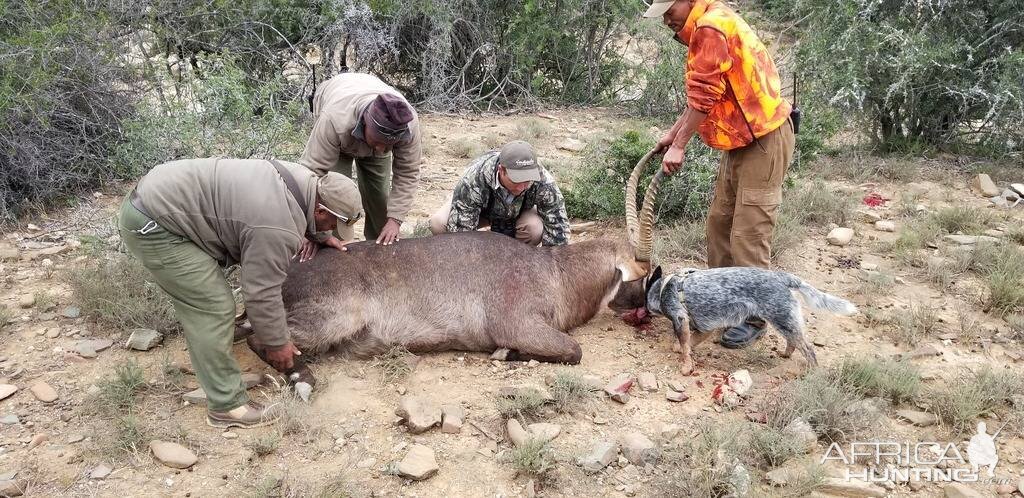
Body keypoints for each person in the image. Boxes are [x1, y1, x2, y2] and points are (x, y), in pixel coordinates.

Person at [117, 158, 362, 428]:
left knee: (215, 303)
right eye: (331, 224)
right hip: (155, 225)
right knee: (212, 307)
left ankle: (220, 361)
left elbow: (291, 218)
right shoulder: (276, 225)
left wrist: (318, 234)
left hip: (161, 197)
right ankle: (227, 404)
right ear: (320, 209)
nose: (332, 231)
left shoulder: (303, 181)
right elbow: (260, 292)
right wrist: (277, 343)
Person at [644, 0, 797, 349]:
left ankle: (754, 317)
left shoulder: (710, 27)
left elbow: (704, 97)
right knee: (719, 223)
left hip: (764, 138)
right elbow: (704, 90)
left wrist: (679, 145)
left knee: (748, 231)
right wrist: (673, 132)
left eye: (670, 10)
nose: (667, 18)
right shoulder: (706, 23)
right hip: (740, 139)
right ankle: (723, 306)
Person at [300, 72, 423, 245]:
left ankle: (379, 248)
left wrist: (395, 220)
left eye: (389, 145)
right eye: (379, 141)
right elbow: (311, 175)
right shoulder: (334, 120)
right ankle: (334, 253)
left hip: (361, 108)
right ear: (365, 123)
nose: (382, 149)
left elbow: (408, 173)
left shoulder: (408, 124)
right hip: (341, 129)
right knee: (335, 200)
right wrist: (313, 233)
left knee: (380, 200)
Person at [429, 140, 569, 246]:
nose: (522, 187)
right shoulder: (473, 179)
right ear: (501, 170)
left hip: (518, 213)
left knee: (534, 229)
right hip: (478, 212)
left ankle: (516, 255)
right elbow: (461, 235)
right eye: (517, 180)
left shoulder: (542, 179)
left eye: (527, 181)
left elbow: (558, 227)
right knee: (439, 223)